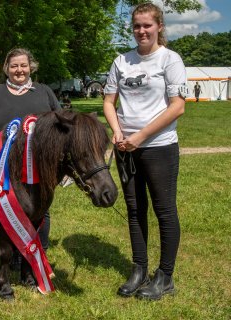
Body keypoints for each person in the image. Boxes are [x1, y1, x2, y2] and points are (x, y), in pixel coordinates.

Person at [103, 3, 186, 300]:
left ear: (159, 26)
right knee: (135, 210)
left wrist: (140, 136)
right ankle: (139, 268)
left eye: (147, 25)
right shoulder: (121, 61)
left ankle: (165, 276)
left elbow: (178, 106)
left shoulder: (170, 59)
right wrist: (117, 131)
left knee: (164, 211)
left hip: (159, 147)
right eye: (137, 25)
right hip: (126, 147)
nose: (141, 31)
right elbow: (109, 102)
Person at [0, 47, 61, 268]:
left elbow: (61, 121)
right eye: (14, 66)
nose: (19, 70)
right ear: (6, 69)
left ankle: (39, 254)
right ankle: (13, 255)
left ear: (31, 66)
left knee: (40, 208)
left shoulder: (44, 91)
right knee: (8, 207)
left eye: (23, 65)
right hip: (2, 163)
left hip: (37, 163)